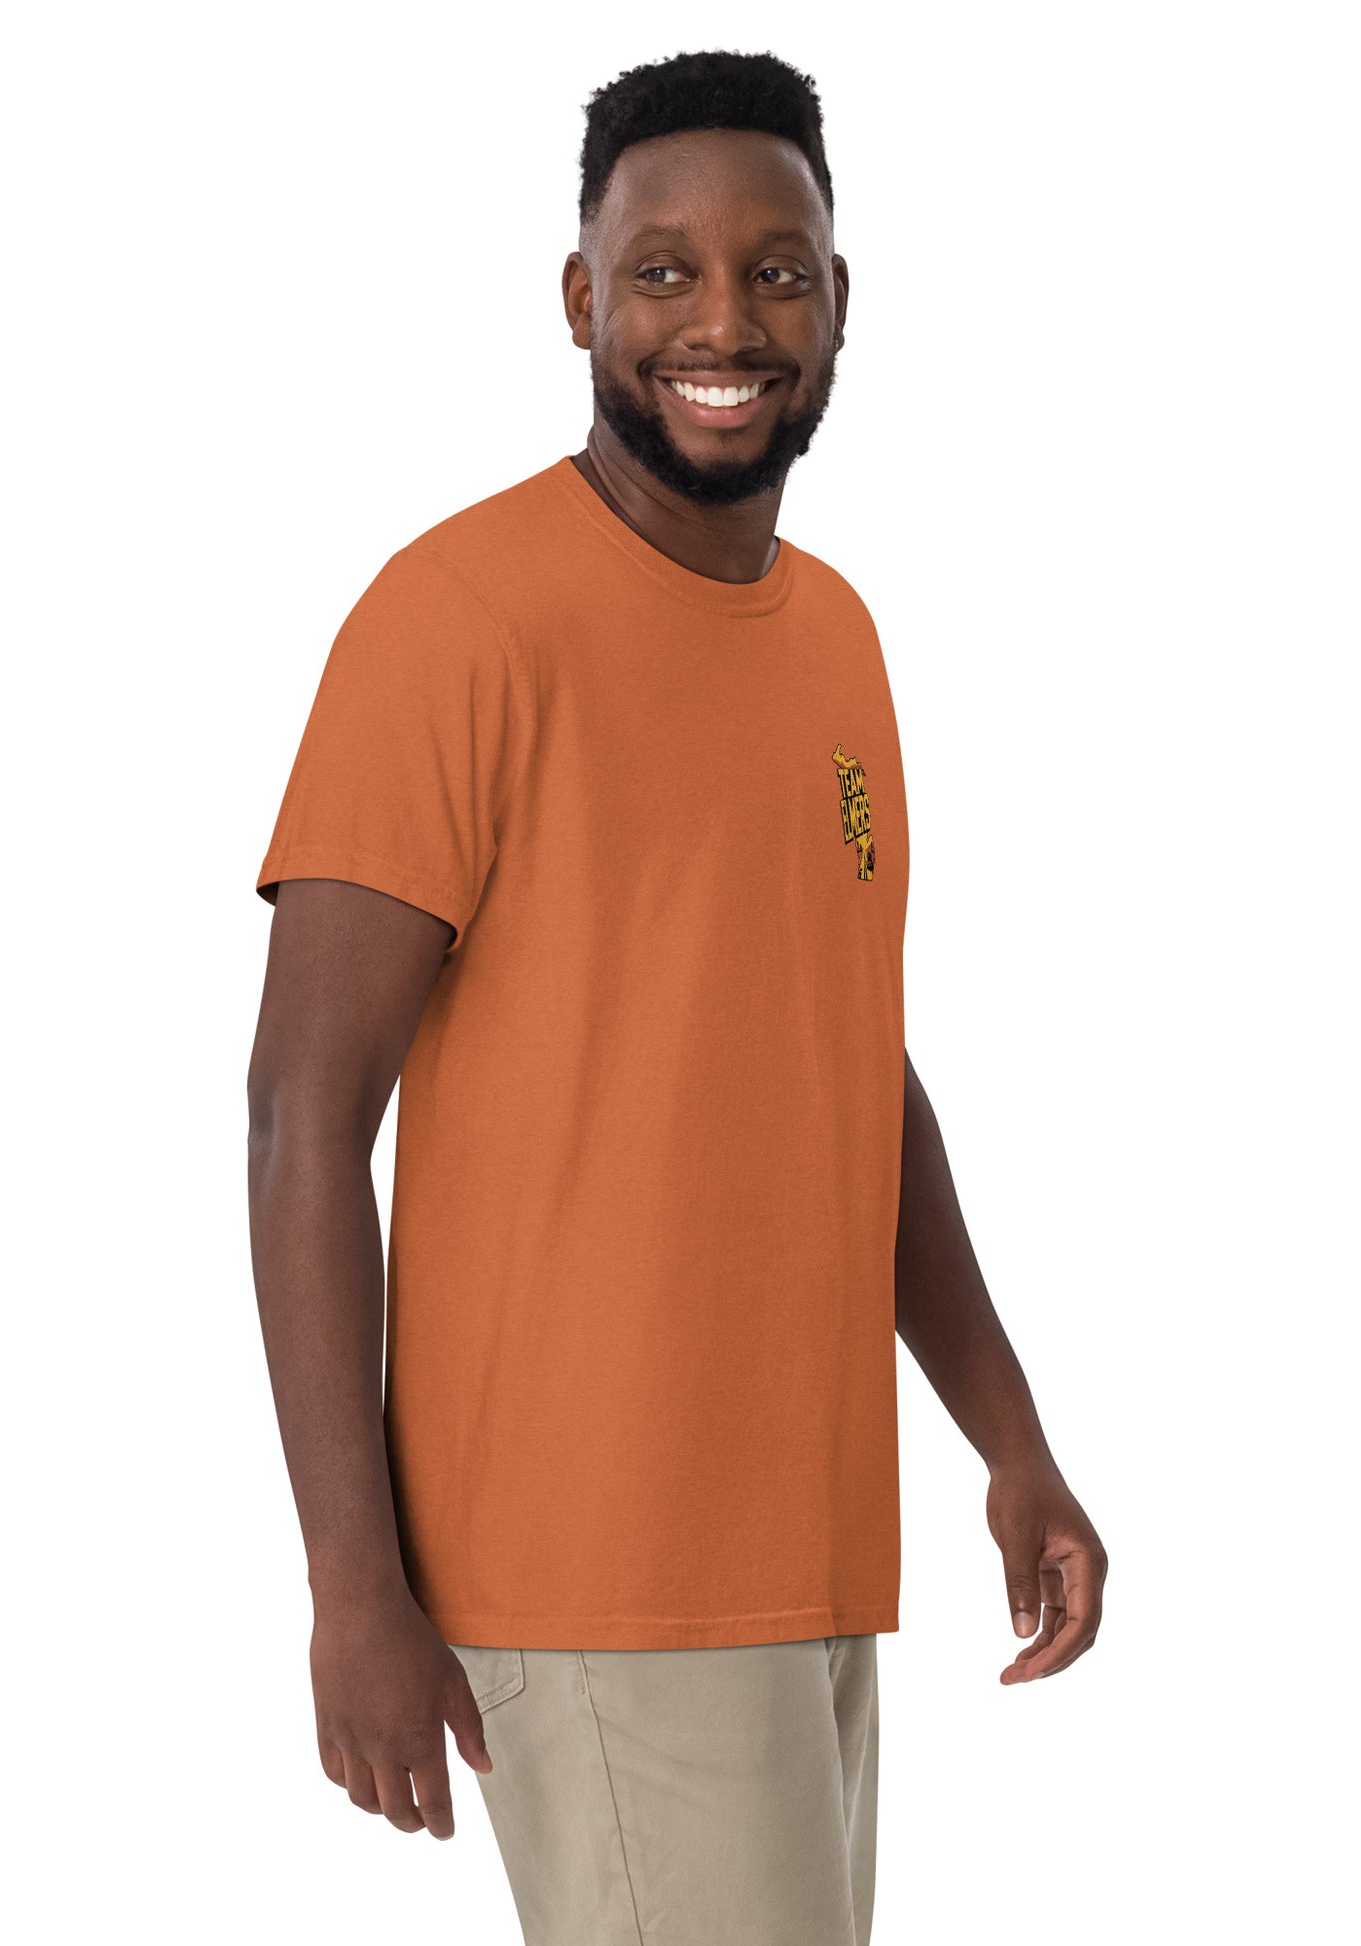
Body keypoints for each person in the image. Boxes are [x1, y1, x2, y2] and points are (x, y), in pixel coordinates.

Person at [246, 48, 1107, 1945]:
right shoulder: (457, 622)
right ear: (580, 299)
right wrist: (350, 1584)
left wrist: (1007, 1435)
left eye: (774, 272)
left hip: (802, 1549)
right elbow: (303, 1117)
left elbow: (848, 1066)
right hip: (594, 1561)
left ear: (836, 302)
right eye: (663, 272)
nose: (724, 322)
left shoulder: (835, 638)